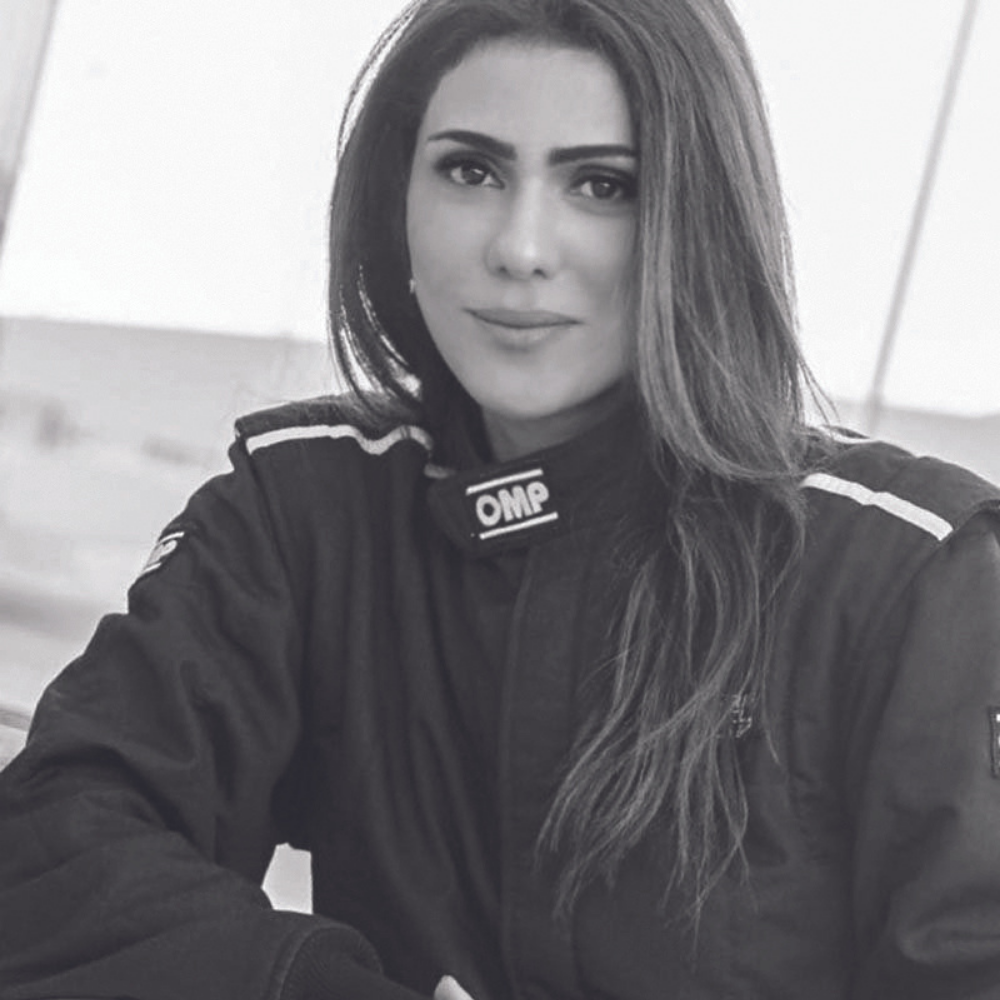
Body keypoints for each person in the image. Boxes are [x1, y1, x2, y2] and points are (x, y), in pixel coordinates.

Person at [2, 0, 1000, 997]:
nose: (521, 247)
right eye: (471, 171)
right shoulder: (306, 508)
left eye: (603, 184)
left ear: (702, 217)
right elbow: (55, 842)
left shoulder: (914, 578)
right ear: (396, 193)